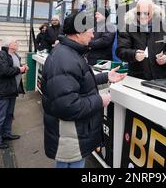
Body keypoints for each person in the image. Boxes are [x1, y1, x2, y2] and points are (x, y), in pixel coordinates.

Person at [41, 11, 126, 168]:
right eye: (90, 31)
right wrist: (100, 100)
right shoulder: (65, 59)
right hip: (71, 136)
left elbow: (78, 82)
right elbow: (68, 105)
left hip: (72, 135)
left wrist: (106, 77)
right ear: (79, 33)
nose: (93, 36)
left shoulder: (69, 53)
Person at [116, 0, 166, 81]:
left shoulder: (165, 28)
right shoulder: (127, 28)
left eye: (146, 13)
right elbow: (120, 51)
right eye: (139, 13)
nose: (142, 16)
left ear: (153, 11)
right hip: (138, 79)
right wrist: (134, 54)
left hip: (162, 78)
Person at [0, 37, 27, 149]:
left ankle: (6, 134)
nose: (17, 43)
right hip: (2, 91)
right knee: (0, 116)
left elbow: (14, 69)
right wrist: (20, 69)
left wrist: (23, 68)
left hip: (11, 90)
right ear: (9, 44)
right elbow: (3, 71)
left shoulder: (15, 55)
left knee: (9, 114)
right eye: (15, 42)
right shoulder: (0, 55)